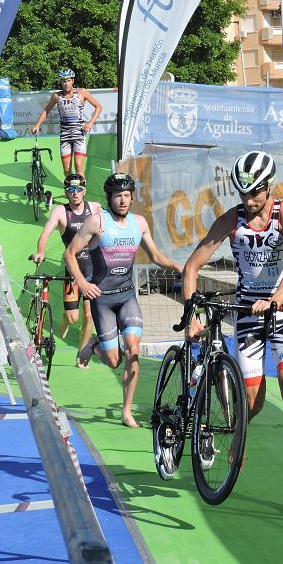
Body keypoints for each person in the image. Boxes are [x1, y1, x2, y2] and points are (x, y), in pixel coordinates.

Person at [181, 151, 283, 501]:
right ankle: (239, 434)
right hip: (247, 314)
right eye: (242, 193)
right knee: (252, 402)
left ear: (269, 187)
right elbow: (191, 268)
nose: (249, 200)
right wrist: (191, 312)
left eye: (255, 193)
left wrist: (273, 301)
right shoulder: (231, 220)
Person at [67, 172, 182, 428]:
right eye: (118, 195)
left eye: (127, 195)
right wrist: (83, 283)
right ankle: (93, 345)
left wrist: (178, 267)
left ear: (132, 197)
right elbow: (69, 254)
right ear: (109, 198)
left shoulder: (139, 223)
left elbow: (154, 255)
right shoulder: (96, 223)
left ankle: (126, 411)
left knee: (133, 351)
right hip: (102, 300)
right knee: (114, 361)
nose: (122, 200)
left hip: (127, 296)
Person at [33, 173, 101, 368]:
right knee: (73, 318)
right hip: (72, 271)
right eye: (71, 190)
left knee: (89, 316)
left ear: (84, 191)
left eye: (78, 189)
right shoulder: (60, 212)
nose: (75, 193)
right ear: (66, 192)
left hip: (93, 270)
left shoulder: (95, 208)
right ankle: (65, 320)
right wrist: (40, 251)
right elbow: (45, 232)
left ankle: (81, 355)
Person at [30, 68, 102, 177]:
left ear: (72, 81)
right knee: (67, 169)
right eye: (63, 81)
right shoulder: (56, 96)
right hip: (65, 135)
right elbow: (46, 110)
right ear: (61, 82)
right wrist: (37, 125)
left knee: (78, 166)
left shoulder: (82, 92)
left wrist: (91, 122)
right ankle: (69, 192)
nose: (66, 83)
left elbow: (98, 107)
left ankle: (81, 192)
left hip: (79, 134)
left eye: (68, 80)